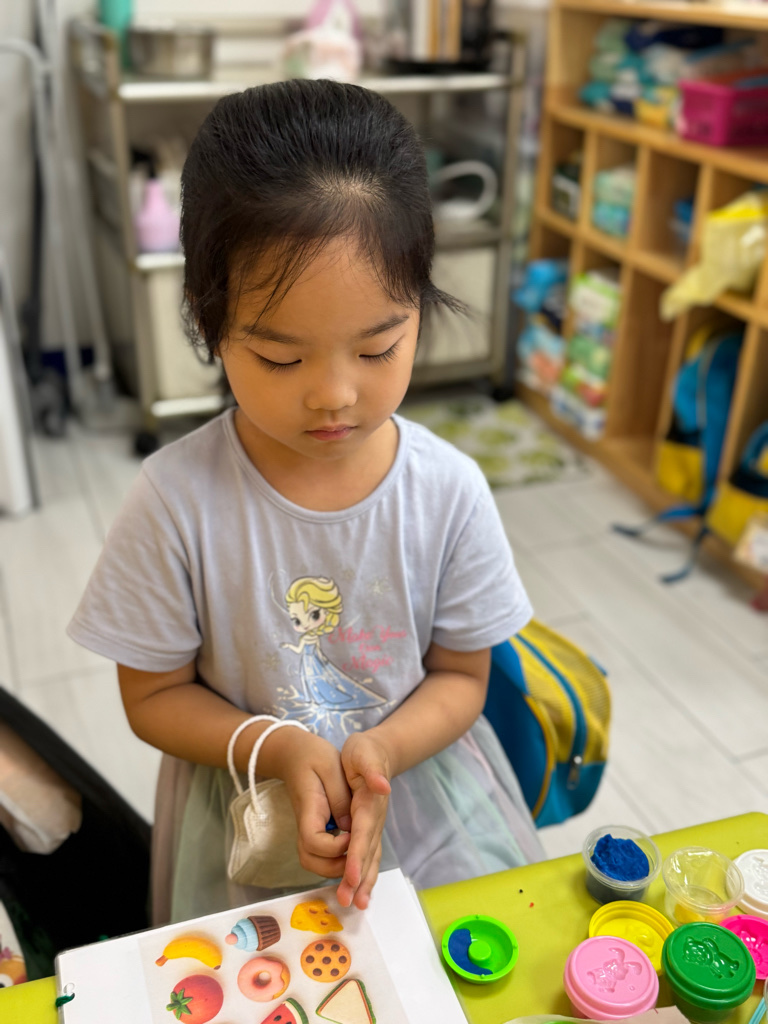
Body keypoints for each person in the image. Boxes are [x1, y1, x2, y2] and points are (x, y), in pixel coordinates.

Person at [68, 78, 544, 926]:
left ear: (420, 308)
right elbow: (152, 696)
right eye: (281, 359)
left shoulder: (448, 489)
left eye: (378, 347)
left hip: (421, 798)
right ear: (208, 321)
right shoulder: (174, 502)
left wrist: (382, 748)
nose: (334, 395)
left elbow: (463, 677)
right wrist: (276, 745)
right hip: (247, 820)